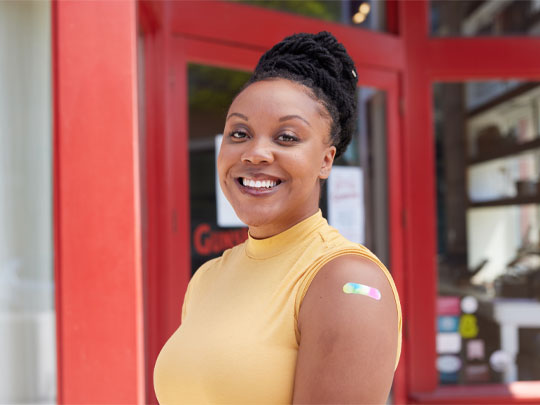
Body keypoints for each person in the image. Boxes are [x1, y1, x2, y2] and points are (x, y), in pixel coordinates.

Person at [154, 31, 402, 404]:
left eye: (286, 137)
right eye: (240, 133)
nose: (255, 153)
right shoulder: (208, 278)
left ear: (325, 159)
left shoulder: (347, 283)